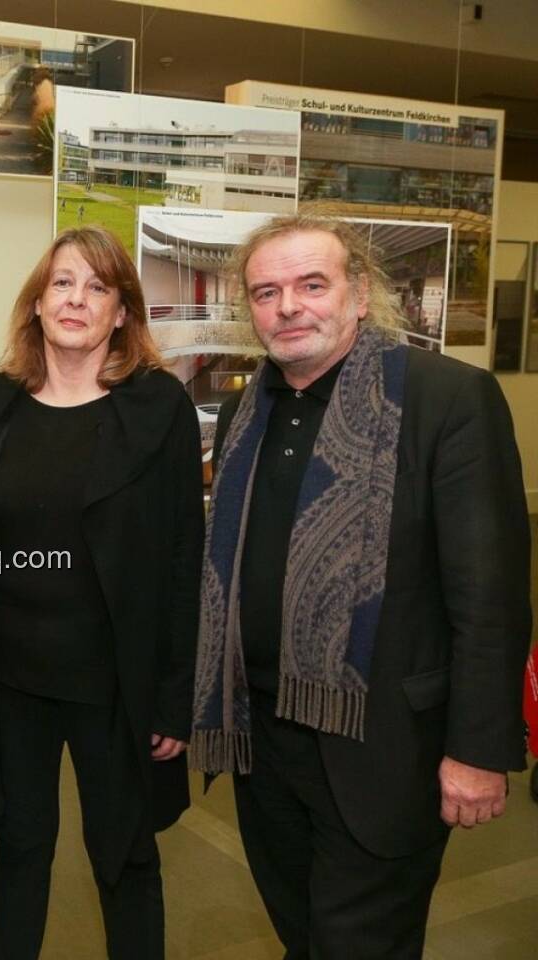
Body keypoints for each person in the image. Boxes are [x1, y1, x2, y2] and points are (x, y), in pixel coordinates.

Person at [191, 214, 531, 959]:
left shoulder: (447, 399)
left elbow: (491, 598)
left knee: (359, 943)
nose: (289, 306)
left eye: (313, 284)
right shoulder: (252, 408)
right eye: (267, 291)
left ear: (360, 292)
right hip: (267, 741)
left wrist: (478, 750)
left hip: (387, 750)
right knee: (303, 933)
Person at [0, 226, 203, 959]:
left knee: (123, 858)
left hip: (117, 686)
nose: (76, 300)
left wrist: (174, 697)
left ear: (122, 312)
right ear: (37, 300)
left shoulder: (159, 410)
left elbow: (187, 559)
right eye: (62, 282)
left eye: (97, 287)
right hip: (11, 681)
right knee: (19, 850)